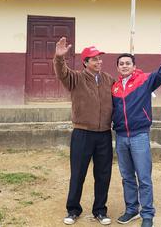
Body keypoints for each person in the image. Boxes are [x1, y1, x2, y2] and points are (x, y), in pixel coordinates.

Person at [112, 36, 161, 227]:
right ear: (117, 68)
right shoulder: (114, 88)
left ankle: (147, 213)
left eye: (128, 63)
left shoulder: (145, 80)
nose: (124, 66)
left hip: (139, 135)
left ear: (134, 66)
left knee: (143, 176)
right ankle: (131, 209)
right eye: (121, 64)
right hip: (121, 137)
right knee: (126, 177)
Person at [53, 37, 115, 226]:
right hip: (82, 133)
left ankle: (100, 210)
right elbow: (62, 73)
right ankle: (73, 210)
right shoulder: (76, 79)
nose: (99, 62)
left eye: (100, 58)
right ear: (86, 62)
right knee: (78, 173)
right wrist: (59, 58)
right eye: (94, 59)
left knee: (103, 174)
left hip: (104, 133)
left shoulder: (108, 80)